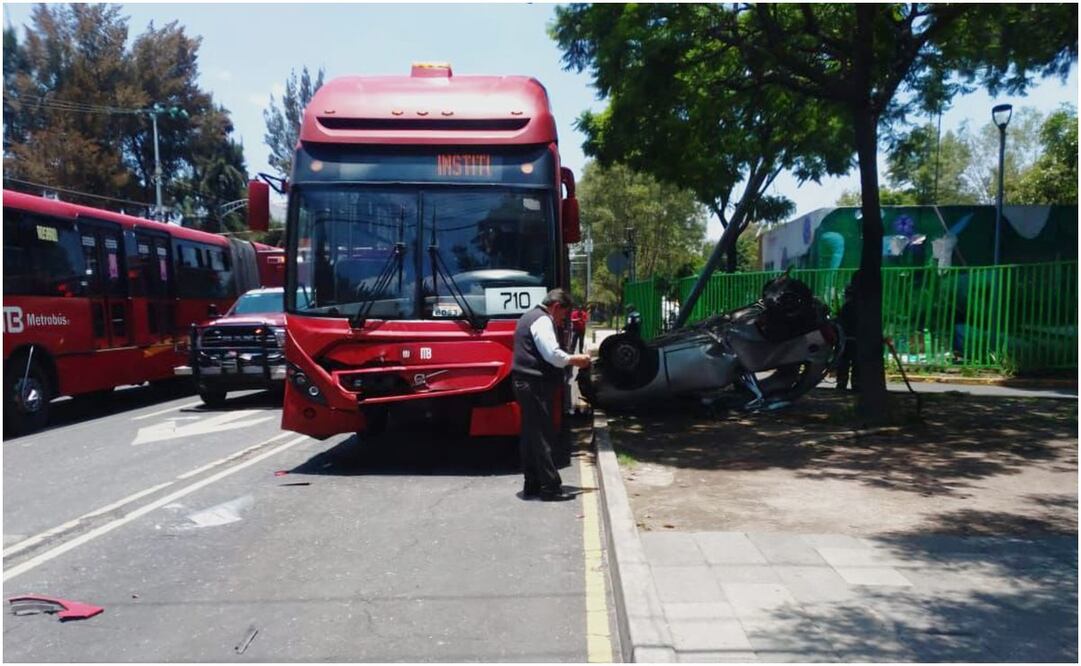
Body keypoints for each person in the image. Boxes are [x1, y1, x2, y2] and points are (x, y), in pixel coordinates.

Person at [512, 288, 591, 501]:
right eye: (563, 314)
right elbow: (553, 355)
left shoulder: (527, 317)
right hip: (534, 384)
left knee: (531, 436)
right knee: (543, 436)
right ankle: (550, 487)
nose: (562, 320)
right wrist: (577, 359)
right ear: (556, 307)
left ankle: (532, 484)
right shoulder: (542, 320)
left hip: (523, 382)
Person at [836, 273, 861, 392]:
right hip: (855, 339)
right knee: (855, 362)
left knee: (845, 362)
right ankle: (854, 383)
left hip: (847, 339)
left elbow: (840, 322)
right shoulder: (859, 307)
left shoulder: (846, 307)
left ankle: (842, 382)